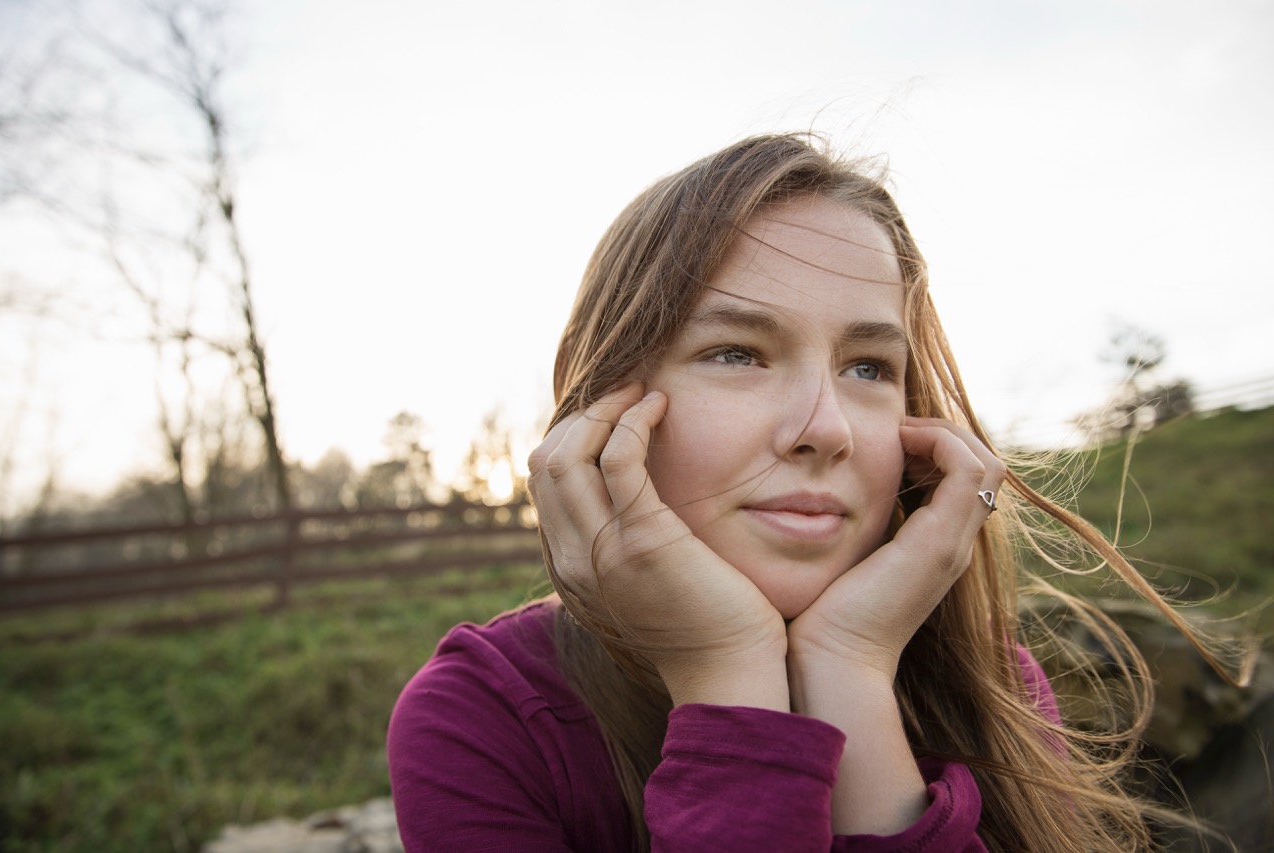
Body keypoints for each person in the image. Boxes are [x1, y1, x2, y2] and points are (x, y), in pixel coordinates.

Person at [387, 133, 1222, 851]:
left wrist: (851, 668)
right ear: (602, 411)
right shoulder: (482, 720)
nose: (826, 428)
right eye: (739, 352)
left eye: (868, 367)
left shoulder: (992, 683)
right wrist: (725, 671)